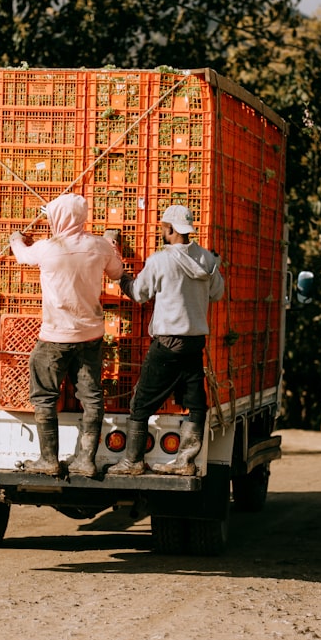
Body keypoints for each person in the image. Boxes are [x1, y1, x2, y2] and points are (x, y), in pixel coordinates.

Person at [8, 193, 124, 477]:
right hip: (90, 336)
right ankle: (86, 460)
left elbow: (22, 256)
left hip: (55, 338)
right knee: (92, 398)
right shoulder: (99, 246)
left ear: (57, 218)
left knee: (45, 397)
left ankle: (48, 459)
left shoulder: (47, 248)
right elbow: (118, 272)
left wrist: (15, 239)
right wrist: (110, 245)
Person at [109, 204, 224, 476]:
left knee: (141, 403)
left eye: (163, 228)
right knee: (196, 404)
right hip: (195, 342)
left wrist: (122, 279)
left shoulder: (160, 261)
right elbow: (217, 294)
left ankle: (133, 462)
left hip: (168, 343)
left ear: (171, 230)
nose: (162, 232)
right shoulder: (207, 260)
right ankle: (185, 461)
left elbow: (139, 294)